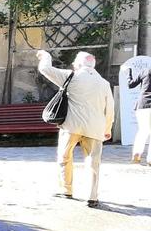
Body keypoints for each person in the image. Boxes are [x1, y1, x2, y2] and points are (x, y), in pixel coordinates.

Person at [38, 49, 113, 207]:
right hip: (95, 127)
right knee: (93, 162)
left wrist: (46, 56)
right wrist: (107, 129)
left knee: (64, 157)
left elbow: (45, 69)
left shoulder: (71, 76)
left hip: (72, 126)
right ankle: (92, 197)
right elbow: (110, 109)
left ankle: (66, 190)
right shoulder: (104, 84)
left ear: (78, 64)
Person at [127, 56, 151, 165]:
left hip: (142, 104)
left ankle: (136, 155)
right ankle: (150, 159)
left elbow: (130, 84)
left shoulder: (145, 71)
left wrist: (129, 72)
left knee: (142, 131)